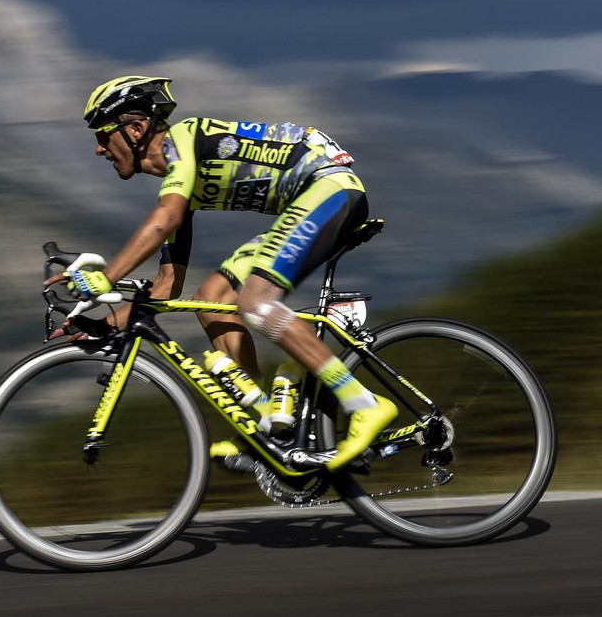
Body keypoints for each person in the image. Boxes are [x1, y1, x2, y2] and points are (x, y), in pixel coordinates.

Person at [46, 75, 396, 471]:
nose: (98, 149)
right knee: (210, 300)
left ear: (137, 128)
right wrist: (103, 326)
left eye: (102, 135)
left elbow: (166, 218)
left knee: (256, 302)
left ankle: (363, 403)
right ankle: (263, 428)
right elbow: (165, 288)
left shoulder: (184, 142)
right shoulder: (183, 183)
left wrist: (106, 278)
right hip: (310, 199)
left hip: (329, 189)